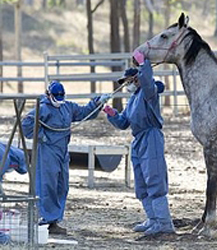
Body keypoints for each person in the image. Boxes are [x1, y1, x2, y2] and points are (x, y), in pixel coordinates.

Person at [22, 80, 109, 235]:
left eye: (62, 95)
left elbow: (84, 112)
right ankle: (46, 220)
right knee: (47, 185)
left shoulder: (67, 106)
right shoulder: (41, 109)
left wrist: (97, 103)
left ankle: (55, 219)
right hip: (48, 151)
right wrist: (41, 136)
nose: (59, 98)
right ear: (49, 94)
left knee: (62, 186)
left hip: (63, 151)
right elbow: (26, 126)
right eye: (57, 96)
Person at [103, 51, 175, 236]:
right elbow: (123, 123)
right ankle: (152, 219)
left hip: (151, 138)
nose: (125, 85)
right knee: (142, 183)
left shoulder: (148, 93)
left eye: (127, 81)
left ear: (136, 79)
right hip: (138, 140)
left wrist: (144, 65)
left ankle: (164, 223)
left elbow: (150, 82)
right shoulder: (132, 100)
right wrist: (111, 114)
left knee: (154, 179)